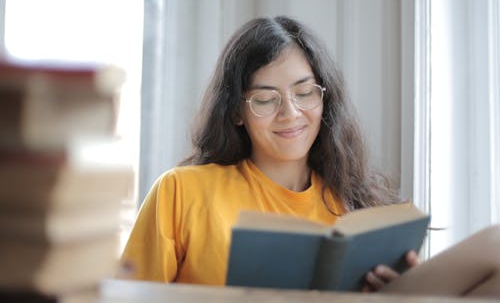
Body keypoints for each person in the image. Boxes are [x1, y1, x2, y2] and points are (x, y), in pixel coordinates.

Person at [121, 16, 500, 298]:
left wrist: (396, 282)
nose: (290, 113)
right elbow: (126, 296)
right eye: (266, 99)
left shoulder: (355, 205)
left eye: (305, 93)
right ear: (236, 111)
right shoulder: (182, 192)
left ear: (324, 97)